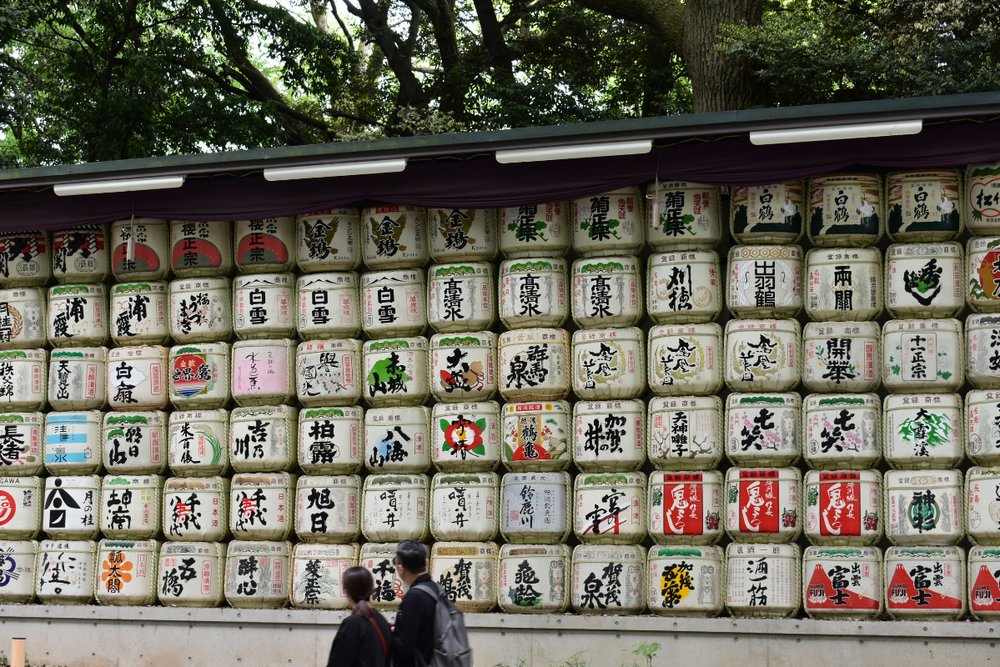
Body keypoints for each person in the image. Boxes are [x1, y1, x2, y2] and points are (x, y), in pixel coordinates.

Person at [326, 566, 392, 667]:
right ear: (371, 589)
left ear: (346, 591)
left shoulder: (352, 623)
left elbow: (337, 662)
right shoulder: (380, 619)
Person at [392, 540, 437, 667]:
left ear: (400, 568)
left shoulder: (415, 597)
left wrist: (386, 633)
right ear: (426, 562)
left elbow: (404, 648)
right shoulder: (436, 590)